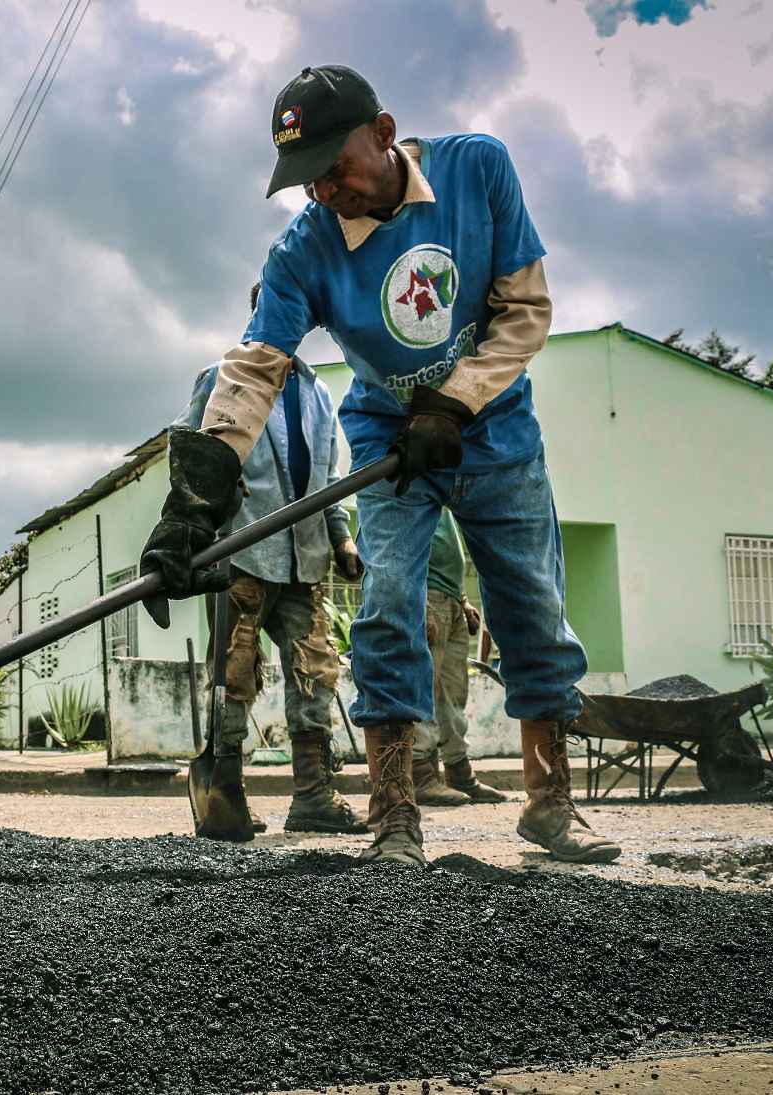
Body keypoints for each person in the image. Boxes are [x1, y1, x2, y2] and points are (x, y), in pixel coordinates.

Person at [140, 64, 619, 866]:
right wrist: (194, 498)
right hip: (392, 445)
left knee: (532, 603)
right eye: (307, 181)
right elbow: (255, 369)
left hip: (497, 433)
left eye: (337, 167)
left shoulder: (479, 169)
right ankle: (394, 814)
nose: (325, 191)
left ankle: (550, 803)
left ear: (386, 133)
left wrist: (458, 400)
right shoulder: (303, 253)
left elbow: (525, 309)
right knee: (389, 601)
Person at [175, 283, 368, 840]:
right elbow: (190, 454)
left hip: (304, 559)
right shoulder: (222, 377)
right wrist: (196, 526)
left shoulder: (317, 393)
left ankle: (313, 795)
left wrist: (341, 541)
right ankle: (225, 790)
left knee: (316, 671)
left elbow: (330, 478)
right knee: (234, 673)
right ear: (259, 313)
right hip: (241, 551)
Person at [412, 509, 507, 807]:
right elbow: (402, 547)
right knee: (424, 690)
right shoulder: (410, 488)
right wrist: (419, 600)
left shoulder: (443, 496)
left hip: (449, 599)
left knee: (452, 695)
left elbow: (445, 554)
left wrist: (463, 600)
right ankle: (420, 775)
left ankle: (458, 771)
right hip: (427, 595)